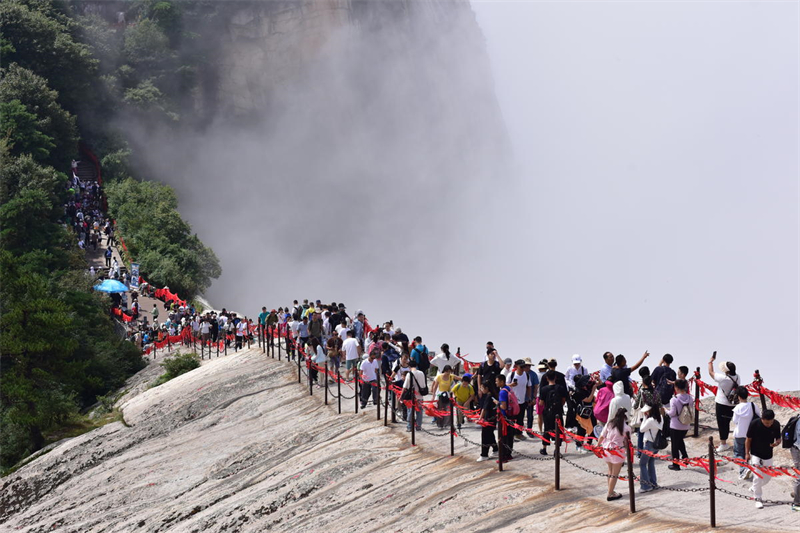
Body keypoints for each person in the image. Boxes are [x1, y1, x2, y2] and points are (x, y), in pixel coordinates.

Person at [746, 409, 781, 509]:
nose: (769, 425)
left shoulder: (776, 424)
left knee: (767, 478)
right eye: (766, 423)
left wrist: (777, 443)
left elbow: (778, 438)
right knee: (757, 477)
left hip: (768, 454)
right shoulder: (754, 424)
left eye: (770, 422)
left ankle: (754, 487)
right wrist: (747, 453)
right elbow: (748, 439)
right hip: (756, 454)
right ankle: (758, 498)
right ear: (762, 419)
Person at [597, 408, 630, 501]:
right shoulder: (626, 428)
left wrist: (597, 445)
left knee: (610, 471)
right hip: (617, 451)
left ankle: (611, 490)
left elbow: (602, 436)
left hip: (607, 448)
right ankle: (610, 493)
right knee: (615, 474)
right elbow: (627, 442)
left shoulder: (609, 423)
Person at [708, 357, 740, 452]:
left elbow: (711, 372)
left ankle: (723, 443)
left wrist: (710, 362)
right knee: (728, 422)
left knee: (722, 424)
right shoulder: (738, 377)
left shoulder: (723, 378)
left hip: (722, 404)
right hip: (733, 404)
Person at [732, 386, 761, 479]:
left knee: (738, 453)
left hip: (740, 433)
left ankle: (743, 470)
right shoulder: (753, 405)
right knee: (751, 452)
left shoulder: (737, 408)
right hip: (752, 434)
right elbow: (759, 417)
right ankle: (751, 466)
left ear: (738, 396)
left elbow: (735, 421)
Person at [632, 376, 662, 456]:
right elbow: (660, 404)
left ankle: (640, 452)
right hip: (655, 415)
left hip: (644, 414)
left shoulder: (642, 392)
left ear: (643, 382)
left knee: (641, 433)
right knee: (653, 433)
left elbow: (636, 405)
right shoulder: (656, 392)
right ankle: (653, 450)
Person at [667, 379, 693, 470]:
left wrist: (666, 411)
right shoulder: (690, 398)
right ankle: (685, 457)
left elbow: (672, 413)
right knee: (680, 441)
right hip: (686, 424)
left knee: (675, 445)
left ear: (676, 387)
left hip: (675, 425)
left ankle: (676, 464)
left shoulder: (674, 399)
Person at [539, 370, 567, 456]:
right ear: (555, 377)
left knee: (547, 430)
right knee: (558, 430)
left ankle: (544, 448)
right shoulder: (560, 388)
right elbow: (563, 400)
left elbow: (541, 403)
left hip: (548, 412)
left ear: (547, 378)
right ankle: (557, 449)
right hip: (558, 412)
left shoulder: (544, 389)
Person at [638, 404, 663, 492]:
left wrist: (645, 418)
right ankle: (653, 483)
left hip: (649, 444)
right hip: (656, 444)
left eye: (647, 411)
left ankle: (645, 486)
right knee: (651, 463)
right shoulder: (660, 417)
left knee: (642, 464)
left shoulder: (650, 420)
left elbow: (641, 429)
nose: (645, 413)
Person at [573, 374, 598, 453]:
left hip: (590, 411)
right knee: (581, 429)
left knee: (593, 427)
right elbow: (588, 400)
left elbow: (598, 384)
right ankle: (579, 445)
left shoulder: (586, 387)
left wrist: (597, 380)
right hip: (582, 413)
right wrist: (593, 390)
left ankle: (589, 444)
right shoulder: (578, 391)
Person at [508, 359, 531, 441]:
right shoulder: (511, 375)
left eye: (524, 366)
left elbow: (529, 387)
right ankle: (511, 434)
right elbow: (505, 386)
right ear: (516, 366)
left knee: (520, 419)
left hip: (522, 401)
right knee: (512, 419)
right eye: (521, 367)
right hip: (512, 402)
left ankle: (519, 434)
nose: (523, 368)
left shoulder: (527, 375)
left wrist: (528, 398)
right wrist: (511, 385)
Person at [476, 381, 498, 461]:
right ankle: (496, 449)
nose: (481, 389)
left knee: (485, 436)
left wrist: (480, 419)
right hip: (493, 419)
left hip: (488, 419)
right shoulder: (492, 395)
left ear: (486, 388)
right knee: (490, 435)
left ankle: (484, 454)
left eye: (482, 388)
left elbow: (484, 409)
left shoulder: (489, 396)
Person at [496, 374, 515, 461]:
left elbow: (503, 406)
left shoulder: (502, 392)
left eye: (497, 381)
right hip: (511, 415)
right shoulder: (508, 389)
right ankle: (509, 454)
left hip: (504, 417)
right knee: (510, 436)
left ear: (502, 381)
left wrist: (497, 402)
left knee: (503, 437)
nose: (496, 383)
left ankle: (503, 457)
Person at [402, 360, 426, 431]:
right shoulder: (421, 373)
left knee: (410, 411)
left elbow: (405, 386)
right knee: (419, 412)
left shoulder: (409, 374)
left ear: (409, 366)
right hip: (420, 396)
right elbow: (424, 385)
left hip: (412, 396)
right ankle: (418, 426)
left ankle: (409, 427)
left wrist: (401, 396)